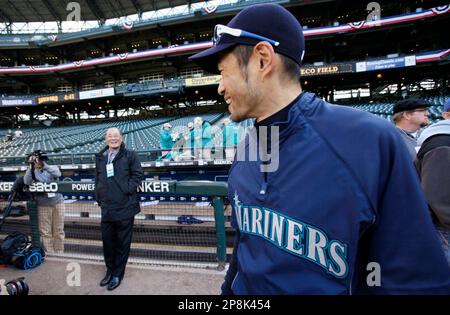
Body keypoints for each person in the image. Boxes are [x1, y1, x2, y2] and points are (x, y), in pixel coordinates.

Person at [189, 3, 450, 294]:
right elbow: (243, 252)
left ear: (262, 59)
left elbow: (415, 282)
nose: (220, 87)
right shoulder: (247, 146)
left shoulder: (368, 140)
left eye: (224, 72)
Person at [95, 127, 143, 291]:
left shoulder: (131, 155)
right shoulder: (100, 156)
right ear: (106, 139)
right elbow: (98, 178)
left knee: (122, 244)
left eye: (116, 136)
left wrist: (125, 191)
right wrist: (99, 197)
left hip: (124, 207)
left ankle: (117, 274)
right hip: (107, 207)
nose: (113, 138)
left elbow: (137, 176)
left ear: (121, 138)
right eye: (110, 136)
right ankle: (109, 271)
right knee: (108, 243)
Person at [414, 101, 450, 265]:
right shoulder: (442, 143)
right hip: (443, 229)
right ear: (446, 115)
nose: (427, 114)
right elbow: (439, 199)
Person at [23, 150, 65, 254]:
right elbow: (26, 182)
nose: (38, 162)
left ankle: (59, 252)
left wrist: (44, 165)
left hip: (57, 202)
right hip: (43, 204)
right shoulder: (32, 171)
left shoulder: (52, 168)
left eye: (40, 160)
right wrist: (31, 167)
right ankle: (50, 252)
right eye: (37, 160)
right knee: (45, 231)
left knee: (58, 230)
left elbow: (57, 173)